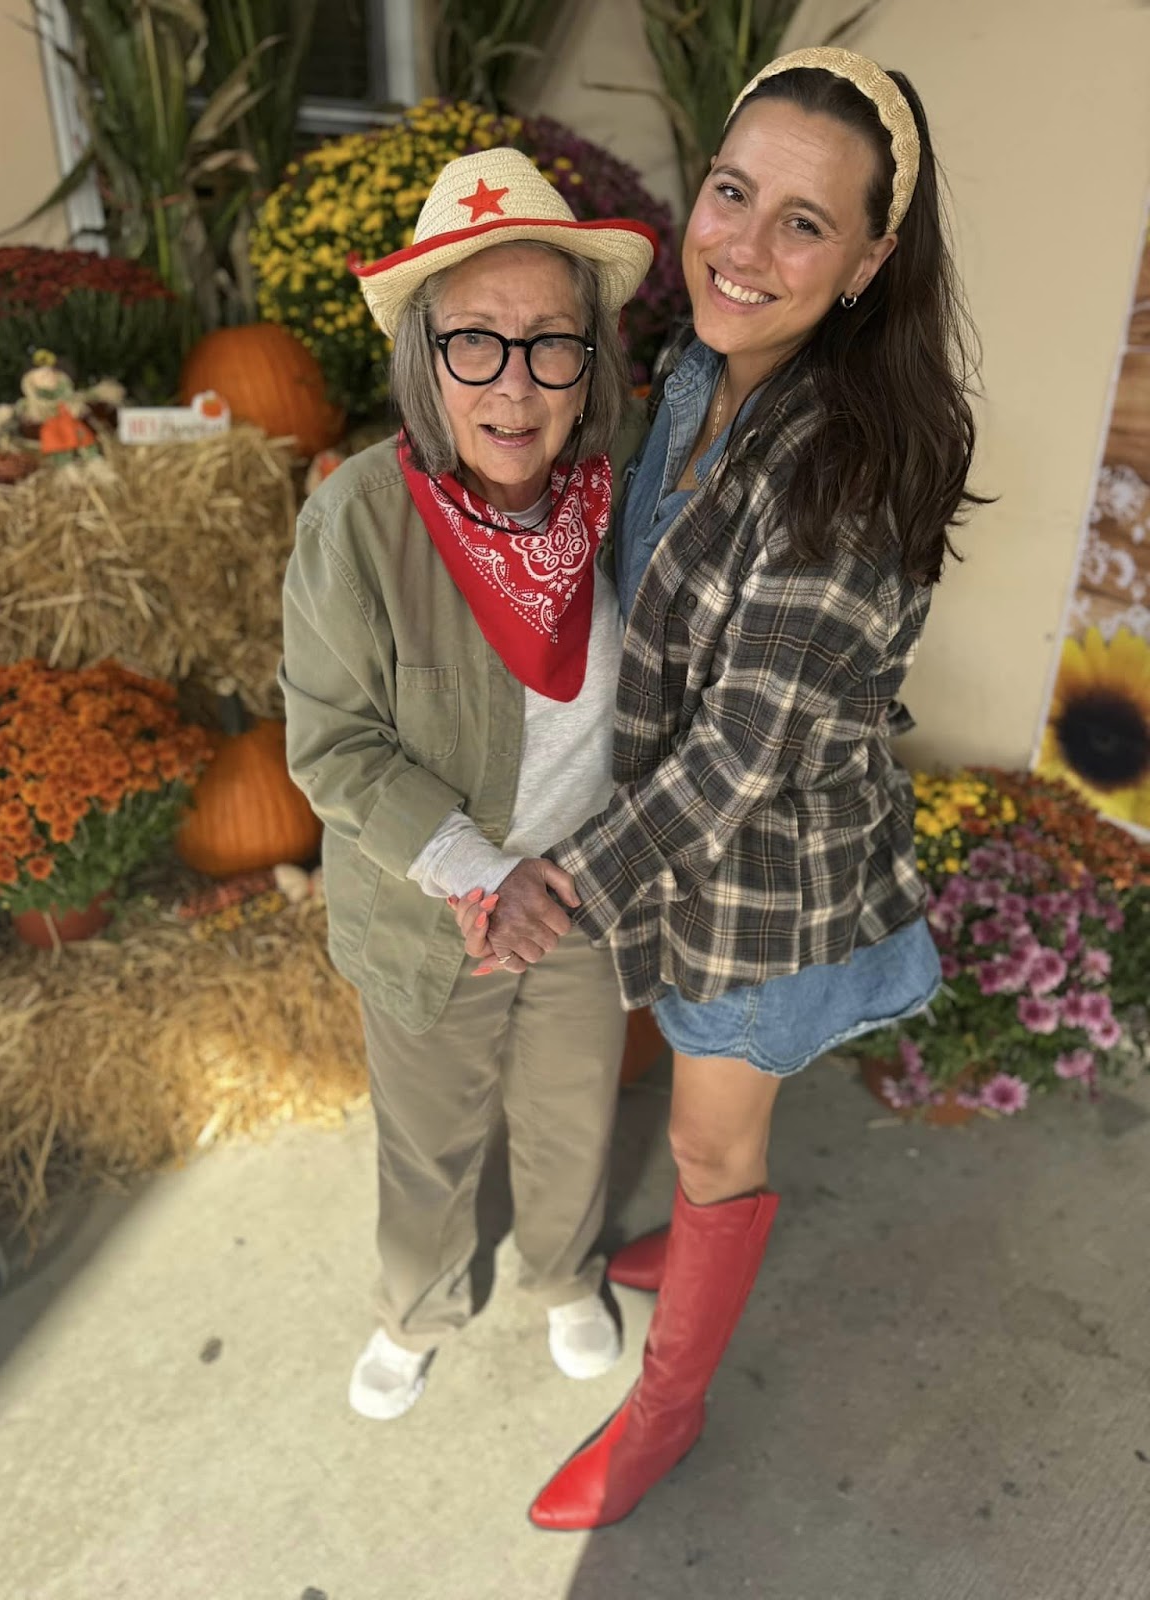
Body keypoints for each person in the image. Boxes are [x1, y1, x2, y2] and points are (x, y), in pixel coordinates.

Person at [455, 47, 982, 1527]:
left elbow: (742, 756)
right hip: (673, 841)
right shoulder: (700, 364)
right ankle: (694, 1235)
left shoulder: (845, 473)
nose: (741, 245)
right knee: (696, 1114)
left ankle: (665, 1413)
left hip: (759, 882)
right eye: (733, 192)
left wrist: (559, 887)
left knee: (708, 1132)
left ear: (872, 260)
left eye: (803, 225)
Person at [280, 150, 656, 1421]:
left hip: (582, 896)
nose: (515, 384)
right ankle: (418, 1306)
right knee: (429, 1141)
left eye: (551, 344)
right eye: (475, 345)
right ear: (424, 360)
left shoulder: (618, 501)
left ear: (589, 366)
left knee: (568, 1114)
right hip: (431, 908)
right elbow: (333, 746)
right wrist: (481, 876)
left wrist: (560, 882)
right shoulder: (357, 523)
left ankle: (559, 1273)